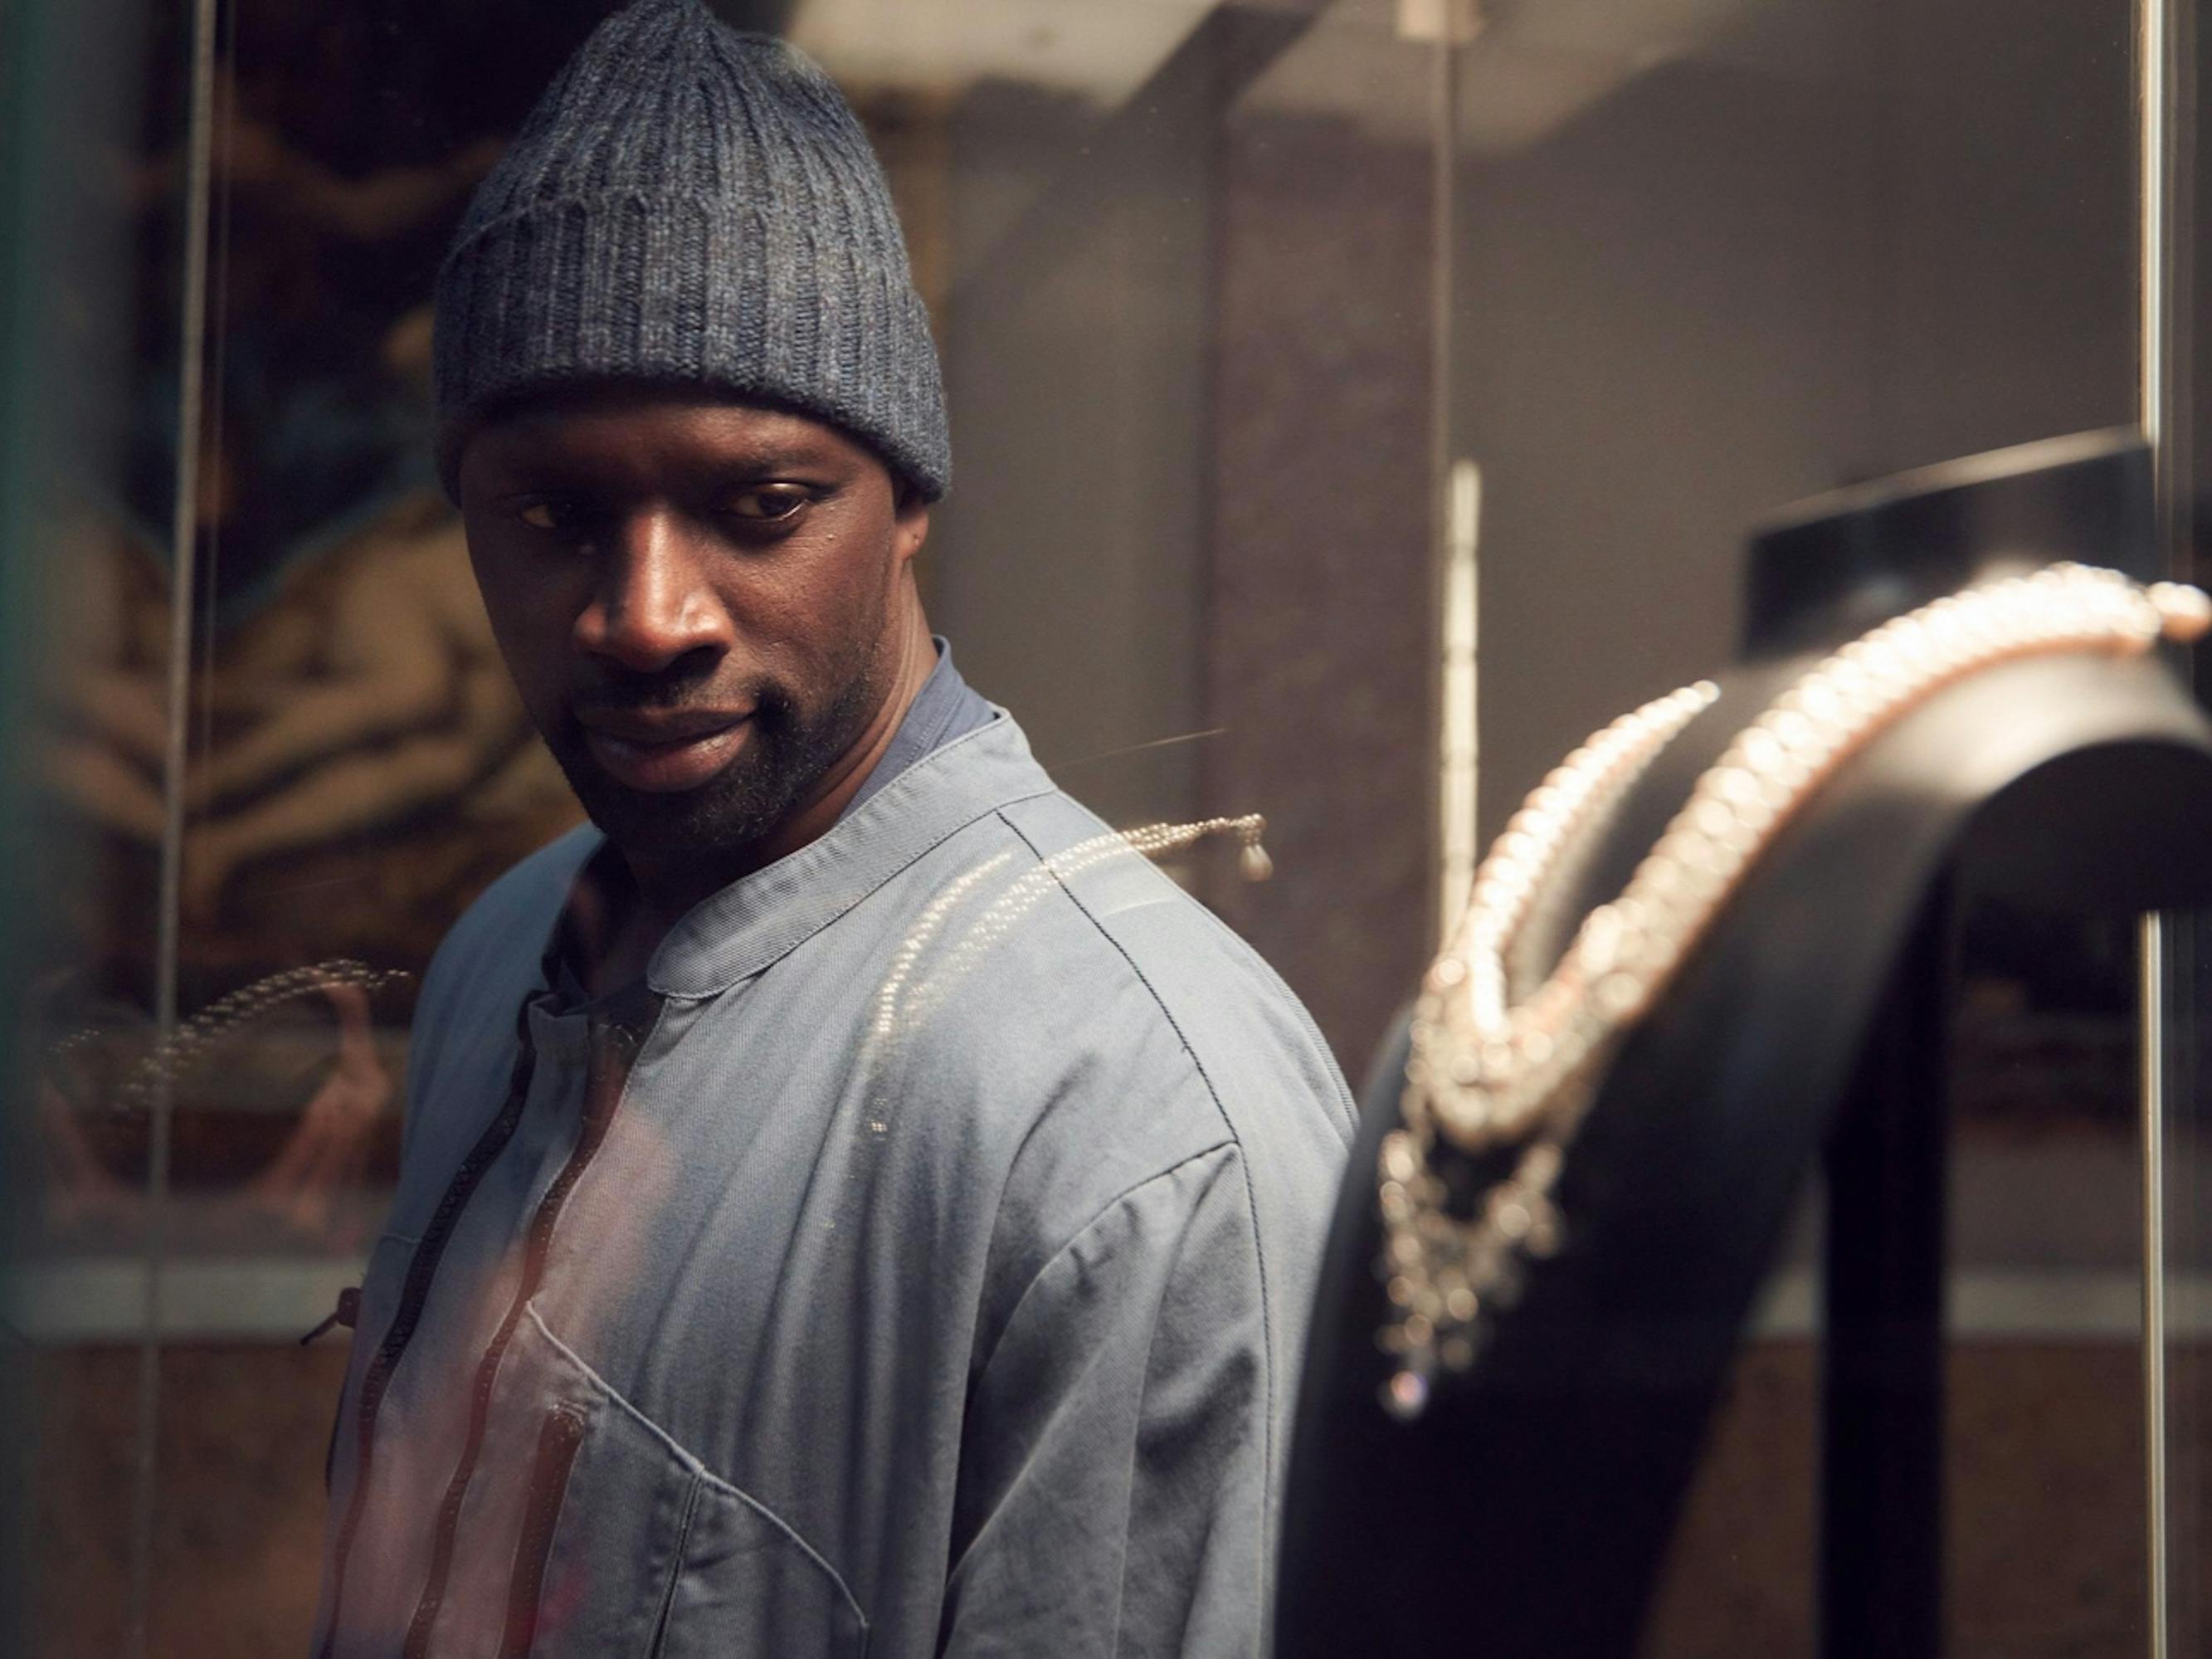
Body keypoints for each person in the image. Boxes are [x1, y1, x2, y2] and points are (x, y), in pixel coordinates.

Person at [309, 2, 1355, 1654]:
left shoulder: (1137, 1124)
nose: (646, 616)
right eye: (552, 514)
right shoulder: (504, 952)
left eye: (758, 505)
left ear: (906, 497)